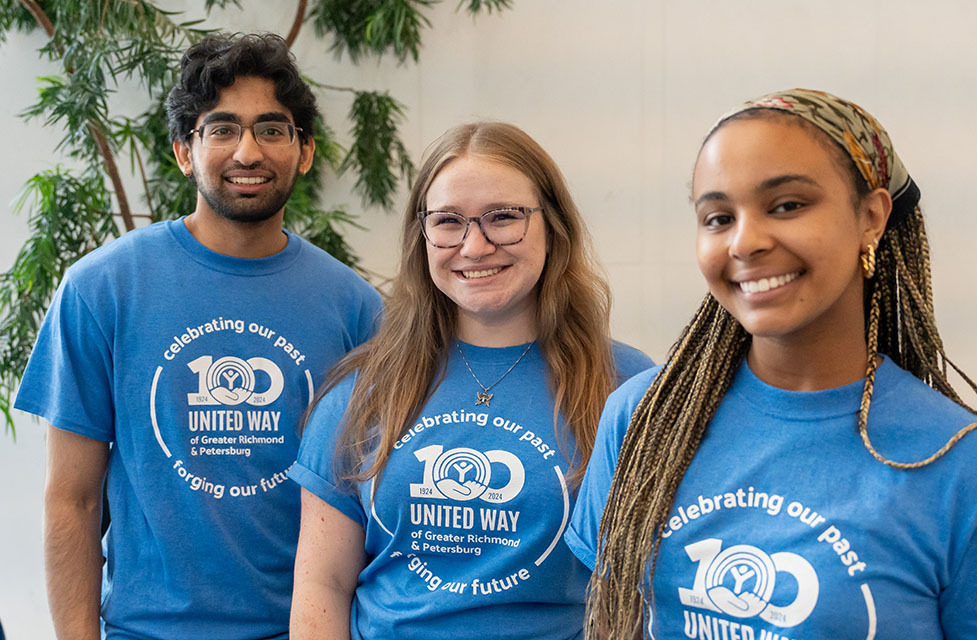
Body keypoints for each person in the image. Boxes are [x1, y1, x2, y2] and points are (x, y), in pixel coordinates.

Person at [566, 89, 977, 639]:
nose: (745, 242)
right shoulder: (643, 418)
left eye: (788, 205)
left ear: (871, 217)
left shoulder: (969, 468)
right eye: (718, 217)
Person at [14, 33, 383, 639]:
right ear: (185, 151)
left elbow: (367, 509)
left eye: (272, 129)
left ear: (305, 150)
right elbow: (72, 501)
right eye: (221, 129)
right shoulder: (100, 289)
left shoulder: (357, 309)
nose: (248, 151)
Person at [288, 122, 653, 639]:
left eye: (503, 217)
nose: (475, 245)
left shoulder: (628, 388)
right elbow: (322, 587)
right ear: (423, 237)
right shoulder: (362, 391)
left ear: (554, 226)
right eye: (448, 221)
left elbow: (637, 595)